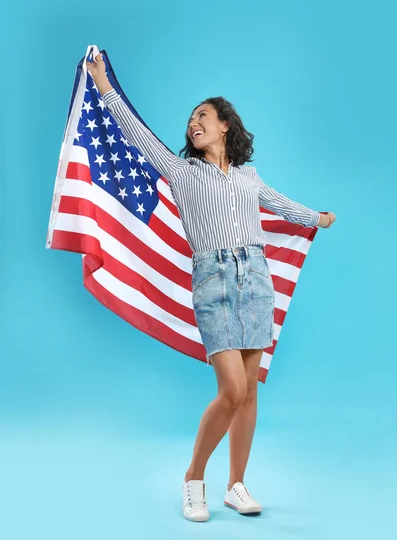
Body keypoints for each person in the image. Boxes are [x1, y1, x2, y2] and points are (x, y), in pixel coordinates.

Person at [86, 53, 336, 523]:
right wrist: (102, 81)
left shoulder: (248, 177)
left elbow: (279, 204)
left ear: (225, 126)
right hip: (214, 282)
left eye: (202, 115)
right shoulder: (183, 173)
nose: (193, 122)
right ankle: (193, 478)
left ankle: (236, 485)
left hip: (257, 281)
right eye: (190, 119)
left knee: (251, 392)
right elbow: (136, 135)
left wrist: (315, 218)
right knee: (232, 390)